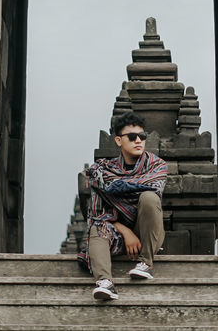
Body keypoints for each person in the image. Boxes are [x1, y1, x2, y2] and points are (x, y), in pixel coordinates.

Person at [79, 110, 167, 301]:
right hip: (117, 233)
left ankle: (146, 263)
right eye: (132, 136)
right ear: (119, 141)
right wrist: (126, 232)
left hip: (148, 232)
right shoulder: (104, 171)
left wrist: (118, 186)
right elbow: (97, 214)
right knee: (97, 228)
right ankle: (105, 282)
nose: (138, 141)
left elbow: (151, 187)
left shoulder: (157, 165)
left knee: (149, 198)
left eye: (142, 136)